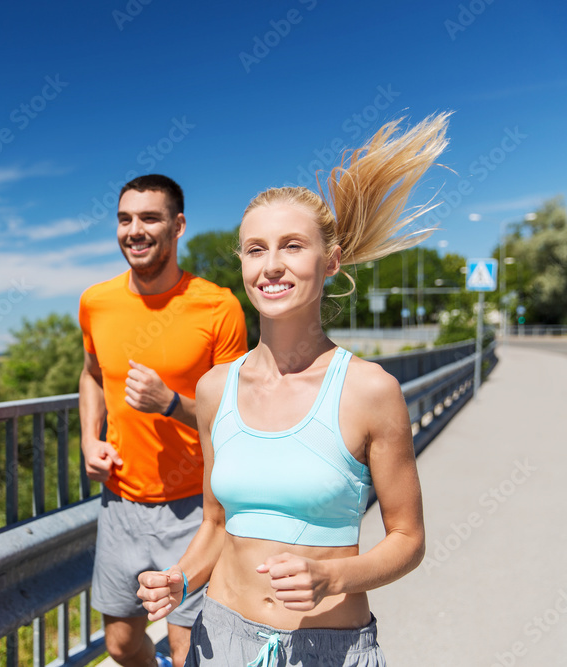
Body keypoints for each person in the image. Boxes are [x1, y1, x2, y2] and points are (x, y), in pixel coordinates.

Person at [137, 114, 450, 666]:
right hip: (219, 640)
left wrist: (334, 575)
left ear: (329, 262)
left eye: (292, 246)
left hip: (328, 648)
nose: (272, 265)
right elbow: (215, 524)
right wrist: (180, 580)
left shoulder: (370, 390)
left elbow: (407, 539)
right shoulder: (214, 389)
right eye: (255, 249)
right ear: (242, 263)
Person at [79, 174, 248, 667]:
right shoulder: (97, 301)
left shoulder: (218, 307)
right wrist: (89, 439)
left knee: (185, 650)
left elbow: (236, 416)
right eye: (125, 219)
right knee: (121, 646)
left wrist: (172, 402)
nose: (135, 230)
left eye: (150, 218)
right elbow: (91, 375)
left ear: (178, 226)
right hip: (122, 503)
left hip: (197, 507)